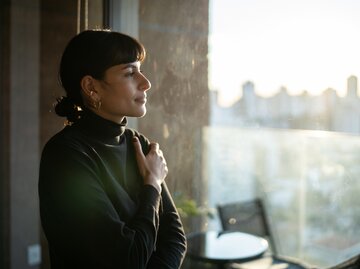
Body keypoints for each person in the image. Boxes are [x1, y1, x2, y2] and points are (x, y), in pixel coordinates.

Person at [38, 29, 187, 269]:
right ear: (91, 87)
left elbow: (175, 239)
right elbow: (127, 260)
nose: (146, 83)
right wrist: (152, 185)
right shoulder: (65, 156)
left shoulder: (140, 144)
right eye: (130, 73)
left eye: (140, 70)